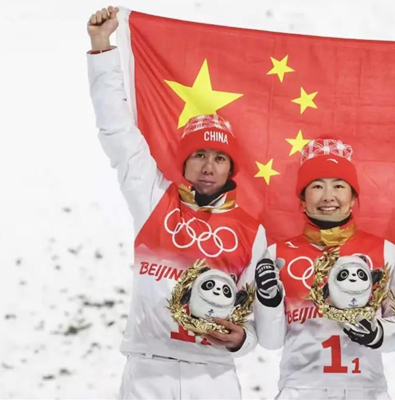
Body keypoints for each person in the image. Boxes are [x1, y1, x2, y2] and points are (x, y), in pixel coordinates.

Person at [87, 7, 267, 399]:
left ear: (231, 167)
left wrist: (241, 341)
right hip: (148, 370)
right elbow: (116, 131)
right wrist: (102, 50)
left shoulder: (252, 231)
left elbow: (257, 320)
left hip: (214, 376)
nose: (208, 166)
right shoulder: (153, 198)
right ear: (183, 162)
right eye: (199, 155)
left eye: (219, 158)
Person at [253, 138, 395, 400]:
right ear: (302, 199)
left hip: (367, 391)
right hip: (300, 391)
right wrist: (268, 299)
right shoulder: (277, 255)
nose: (328, 196)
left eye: (339, 186)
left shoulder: (385, 251)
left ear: (353, 198)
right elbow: (270, 341)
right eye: (317, 186)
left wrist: (378, 333)